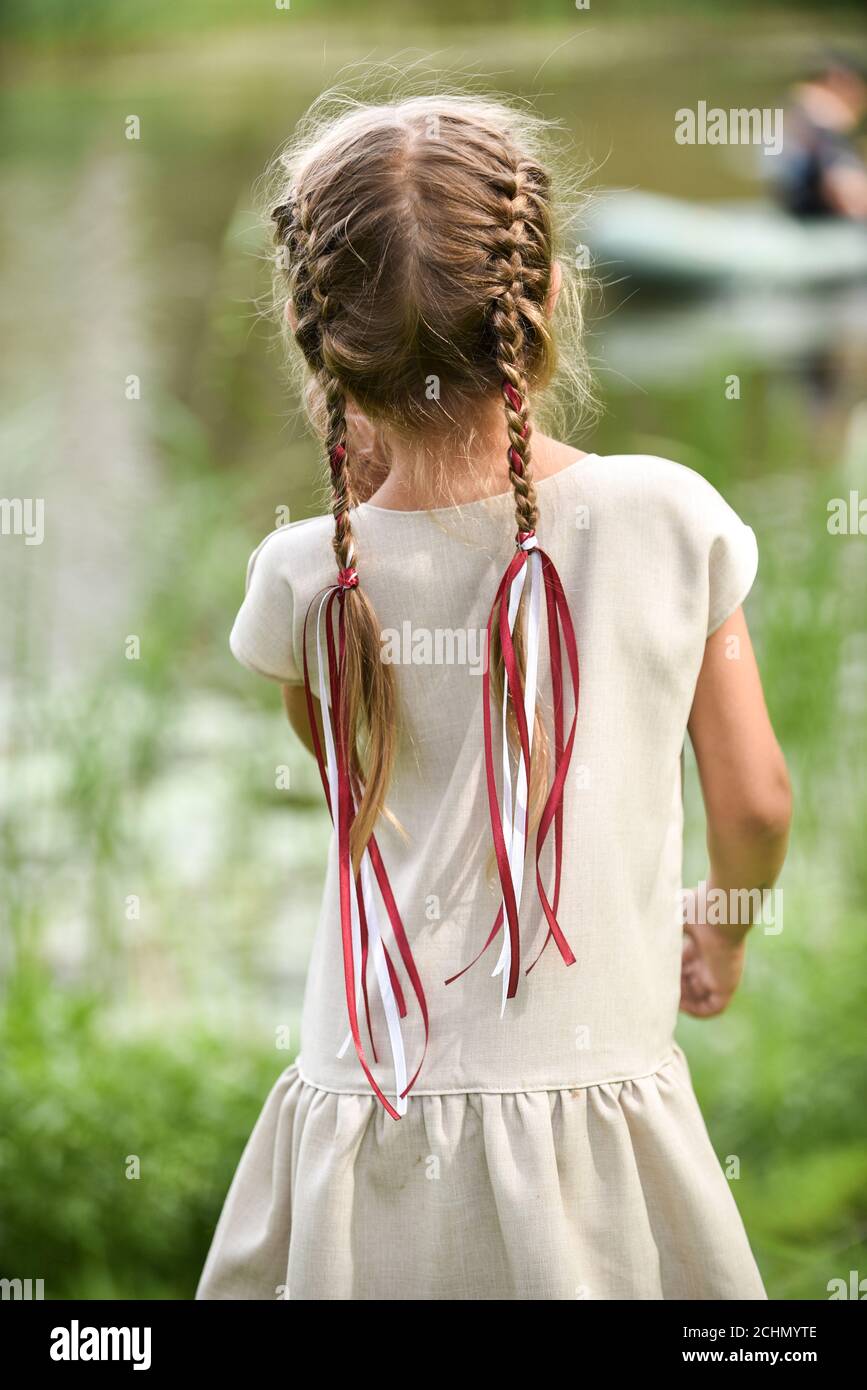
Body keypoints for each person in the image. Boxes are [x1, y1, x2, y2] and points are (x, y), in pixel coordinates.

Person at [197, 94, 792, 1301]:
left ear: (322, 339)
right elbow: (761, 802)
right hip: (588, 1117)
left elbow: (354, 793)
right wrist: (721, 927)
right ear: (551, 294)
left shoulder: (305, 574)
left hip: (370, 1110)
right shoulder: (665, 516)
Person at [775, 55, 867, 220]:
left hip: (795, 199)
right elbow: (838, 174)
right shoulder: (820, 110)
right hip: (812, 203)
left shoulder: (800, 104)